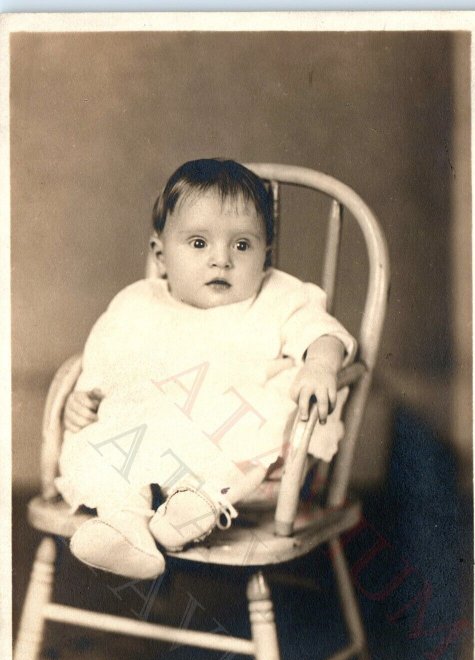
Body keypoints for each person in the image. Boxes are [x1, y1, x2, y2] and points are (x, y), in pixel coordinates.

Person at [56, 159, 356, 580]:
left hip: (233, 451)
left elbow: (322, 332)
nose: (221, 260)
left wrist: (321, 366)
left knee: (260, 421)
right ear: (161, 256)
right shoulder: (139, 304)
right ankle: (127, 525)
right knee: (108, 439)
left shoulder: (276, 297)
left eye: (242, 245)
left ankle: (195, 507)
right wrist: (81, 401)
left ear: (265, 254)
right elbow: (103, 369)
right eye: (198, 243)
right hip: (153, 439)